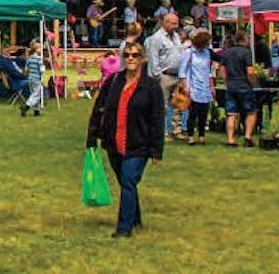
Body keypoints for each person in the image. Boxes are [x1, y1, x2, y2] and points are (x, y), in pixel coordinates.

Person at [86, 40, 164, 238]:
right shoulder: (113, 82)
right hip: (114, 142)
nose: (130, 58)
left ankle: (124, 228)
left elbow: (157, 119)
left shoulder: (151, 87)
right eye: (127, 55)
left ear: (143, 59)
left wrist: (156, 150)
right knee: (125, 182)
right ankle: (135, 218)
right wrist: (92, 135)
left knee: (129, 180)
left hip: (139, 144)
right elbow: (99, 109)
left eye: (135, 55)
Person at [143, 13, 184, 140]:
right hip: (164, 76)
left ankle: (177, 130)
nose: (176, 26)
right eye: (173, 23)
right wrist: (157, 76)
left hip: (177, 75)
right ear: (164, 23)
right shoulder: (157, 38)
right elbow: (153, 58)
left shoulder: (176, 36)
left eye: (177, 23)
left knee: (178, 104)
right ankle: (163, 131)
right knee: (162, 106)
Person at [178, 29, 214, 145]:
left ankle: (202, 135)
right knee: (192, 113)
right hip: (192, 86)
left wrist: (211, 86)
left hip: (205, 86)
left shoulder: (207, 53)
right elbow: (182, 72)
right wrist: (185, 86)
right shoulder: (188, 53)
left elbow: (209, 71)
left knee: (204, 113)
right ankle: (190, 136)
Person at [222, 31, 257, 147]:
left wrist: (226, 81)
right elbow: (250, 71)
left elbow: (222, 69)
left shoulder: (227, 52)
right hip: (244, 86)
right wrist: (253, 83)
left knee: (231, 113)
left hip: (231, 85)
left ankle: (230, 139)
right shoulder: (246, 52)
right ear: (245, 39)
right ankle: (247, 136)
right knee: (251, 112)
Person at [22, 41, 45, 117]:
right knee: (36, 95)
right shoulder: (39, 59)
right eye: (40, 48)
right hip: (37, 78)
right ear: (36, 49)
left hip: (30, 78)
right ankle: (26, 106)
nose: (42, 49)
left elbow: (26, 68)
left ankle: (36, 110)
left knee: (33, 94)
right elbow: (42, 70)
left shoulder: (29, 58)